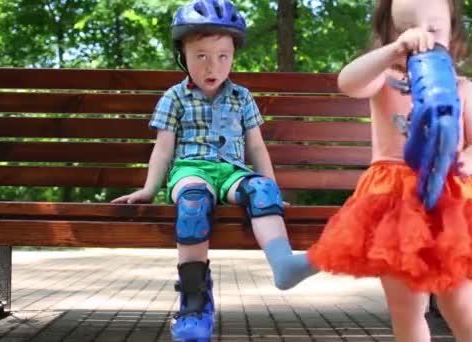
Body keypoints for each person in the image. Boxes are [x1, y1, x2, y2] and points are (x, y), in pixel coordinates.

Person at [307, 0, 472, 341]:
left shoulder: (463, 88)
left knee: (463, 305)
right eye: (405, 29)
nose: (420, 36)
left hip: (448, 204)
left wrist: (467, 160)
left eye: (433, 29)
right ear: (388, 35)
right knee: (407, 310)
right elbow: (348, 82)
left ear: (454, 35)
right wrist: (392, 52)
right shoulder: (385, 81)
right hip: (392, 206)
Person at [111, 0, 317, 340]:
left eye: (223, 56)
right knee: (193, 203)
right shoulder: (175, 98)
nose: (213, 65)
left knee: (262, 190)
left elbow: (256, 148)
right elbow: (163, 149)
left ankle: (285, 266)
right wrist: (149, 189)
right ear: (183, 55)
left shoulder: (241, 97)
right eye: (201, 55)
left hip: (232, 172)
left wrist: (274, 191)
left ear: (234, 56)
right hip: (191, 171)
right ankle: (194, 307)